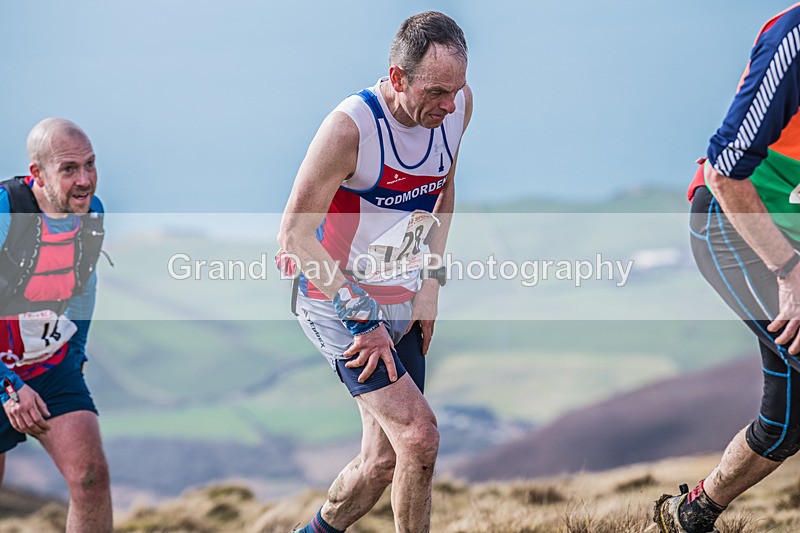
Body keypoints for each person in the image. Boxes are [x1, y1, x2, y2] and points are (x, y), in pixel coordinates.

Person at [277, 11, 472, 532]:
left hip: (400, 293)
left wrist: (430, 284)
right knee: (419, 437)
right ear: (397, 77)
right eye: (436, 91)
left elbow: (444, 187)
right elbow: (293, 236)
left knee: (382, 463)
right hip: (336, 296)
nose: (449, 105)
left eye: (457, 88)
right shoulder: (350, 129)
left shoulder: (456, 108)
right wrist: (362, 320)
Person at [654, 4, 800, 532]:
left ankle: (689, 516)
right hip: (736, 227)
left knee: (786, 424)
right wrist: (789, 271)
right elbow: (725, 175)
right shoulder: (794, 39)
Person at [0, 118, 111, 532]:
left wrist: (76, 354)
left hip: (48, 359)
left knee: (91, 479)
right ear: (38, 174)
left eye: (90, 165)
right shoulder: (6, 211)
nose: (85, 180)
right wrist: (7, 386)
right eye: (69, 169)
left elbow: (83, 286)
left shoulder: (90, 213)